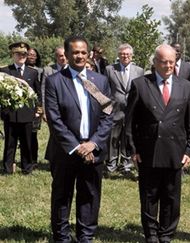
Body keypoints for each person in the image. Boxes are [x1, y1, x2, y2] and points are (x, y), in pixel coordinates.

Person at [125, 44, 190, 243]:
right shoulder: (140, 84)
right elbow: (130, 121)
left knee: (171, 196)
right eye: (163, 62)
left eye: (171, 62)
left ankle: (166, 233)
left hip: (176, 151)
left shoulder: (186, 86)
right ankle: (151, 234)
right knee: (149, 195)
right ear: (155, 62)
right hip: (148, 150)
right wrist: (133, 150)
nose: (167, 66)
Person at [45, 36, 113, 242]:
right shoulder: (54, 81)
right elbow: (54, 119)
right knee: (62, 195)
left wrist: (93, 143)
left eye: (83, 52)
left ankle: (86, 235)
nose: (80, 56)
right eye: (75, 52)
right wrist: (77, 147)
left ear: (89, 54)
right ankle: (62, 236)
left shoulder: (100, 81)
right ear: (66, 54)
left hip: (93, 150)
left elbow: (108, 116)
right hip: (65, 150)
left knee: (90, 196)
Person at [1, 42, 41, 174]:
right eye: (18, 54)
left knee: (27, 143)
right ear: (12, 55)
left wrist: (38, 109)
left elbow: (37, 93)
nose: (21, 56)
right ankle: (7, 169)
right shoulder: (5, 71)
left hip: (27, 114)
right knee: (10, 143)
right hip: (10, 114)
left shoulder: (33, 72)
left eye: (24, 54)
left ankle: (27, 168)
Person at [105, 43, 144, 173]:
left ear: (131, 56)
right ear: (118, 55)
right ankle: (112, 163)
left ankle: (127, 163)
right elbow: (106, 89)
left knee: (128, 137)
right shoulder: (110, 69)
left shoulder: (139, 71)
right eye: (122, 54)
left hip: (132, 110)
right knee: (113, 138)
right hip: (115, 109)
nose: (125, 56)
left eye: (127, 54)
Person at [26, 47, 44, 164]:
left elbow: (41, 89)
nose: (32, 56)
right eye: (29, 54)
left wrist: (40, 106)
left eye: (34, 55)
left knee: (33, 134)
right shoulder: (20, 69)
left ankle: (33, 159)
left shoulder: (41, 71)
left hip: (35, 106)